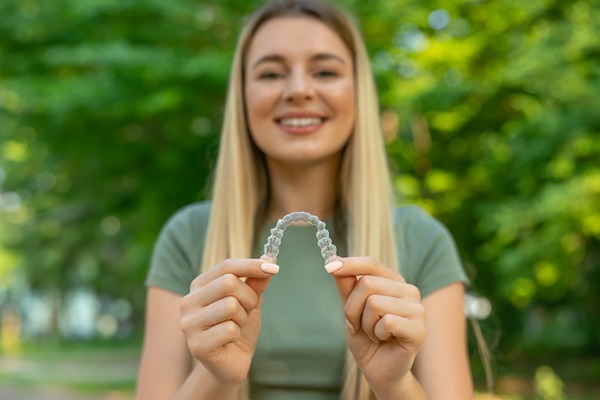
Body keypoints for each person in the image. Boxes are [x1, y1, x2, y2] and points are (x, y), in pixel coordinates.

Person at [135, 0, 473, 399]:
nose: (298, 90)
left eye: (325, 71)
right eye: (272, 73)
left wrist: (394, 383)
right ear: (243, 97)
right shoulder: (188, 236)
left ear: (358, 94)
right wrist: (216, 377)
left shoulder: (422, 241)